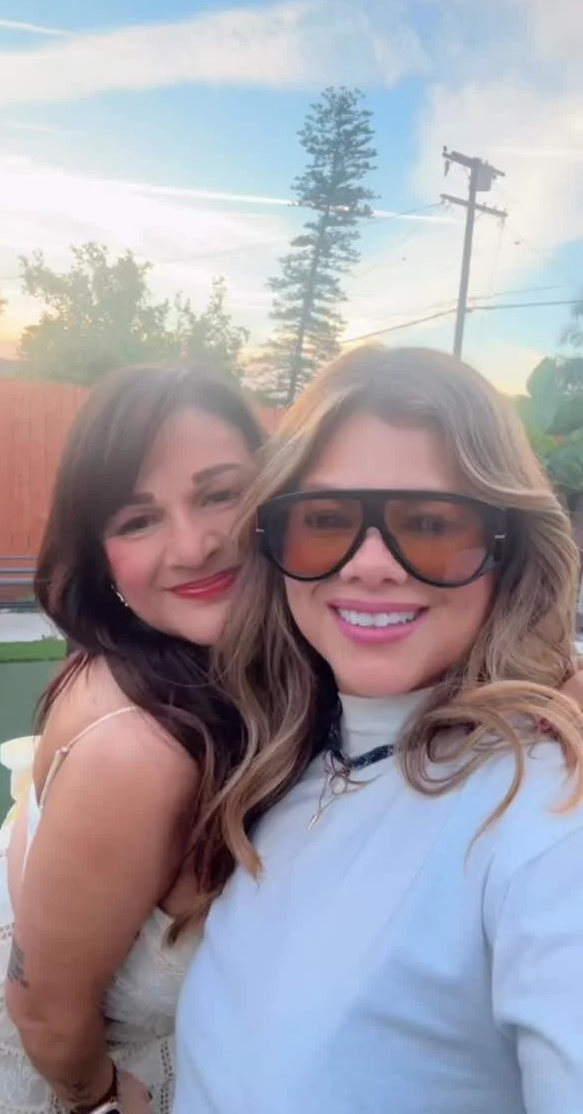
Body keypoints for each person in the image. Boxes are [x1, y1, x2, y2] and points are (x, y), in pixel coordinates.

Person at [174, 345, 583, 1113]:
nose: (369, 564)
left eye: (429, 524)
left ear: (511, 548)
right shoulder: (281, 750)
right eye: (325, 521)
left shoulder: (547, 818)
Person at [0, 364, 266, 1114]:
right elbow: (44, 1016)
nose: (193, 545)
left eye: (220, 494)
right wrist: (102, 1101)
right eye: (137, 520)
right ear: (102, 556)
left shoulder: (198, 667)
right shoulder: (140, 752)